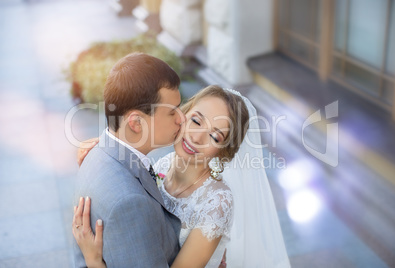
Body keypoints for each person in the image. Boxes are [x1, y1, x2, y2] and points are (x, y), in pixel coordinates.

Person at [74, 85, 291, 267]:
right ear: (182, 115)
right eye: (196, 121)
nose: (196, 137)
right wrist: (102, 155)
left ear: (224, 150)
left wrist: (94, 262)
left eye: (215, 136)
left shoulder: (217, 203)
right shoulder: (162, 163)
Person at [72, 52, 184, 267]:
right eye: (173, 112)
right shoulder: (130, 204)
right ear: (136, 123)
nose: (182, 118)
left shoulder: (96, 152)